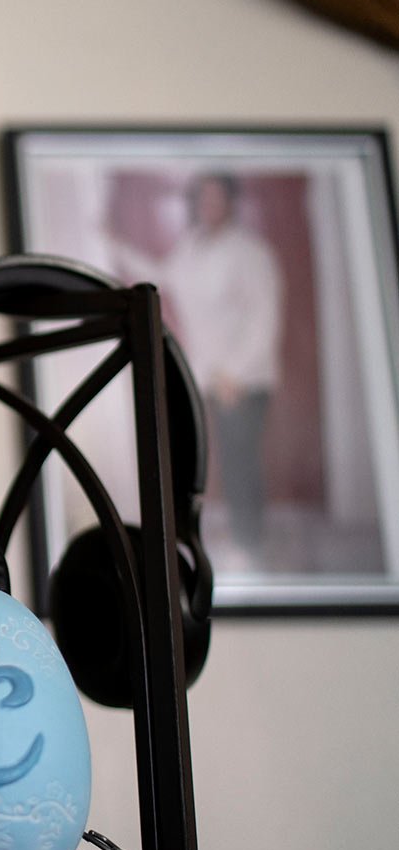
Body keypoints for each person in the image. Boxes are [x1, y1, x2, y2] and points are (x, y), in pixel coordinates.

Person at [110, 172, 284, 560]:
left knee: (242, 461)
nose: (209, 207)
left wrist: (235, 374)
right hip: (206, 375)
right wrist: (114, 244)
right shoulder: (192, 247)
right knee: (212, 456)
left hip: (244, 378)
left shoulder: (250, 252)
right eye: (203, 199)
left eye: (217, 199)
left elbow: (264, 317)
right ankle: (232, 541)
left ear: (231, 203)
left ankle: (251, 544)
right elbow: (159, 277)